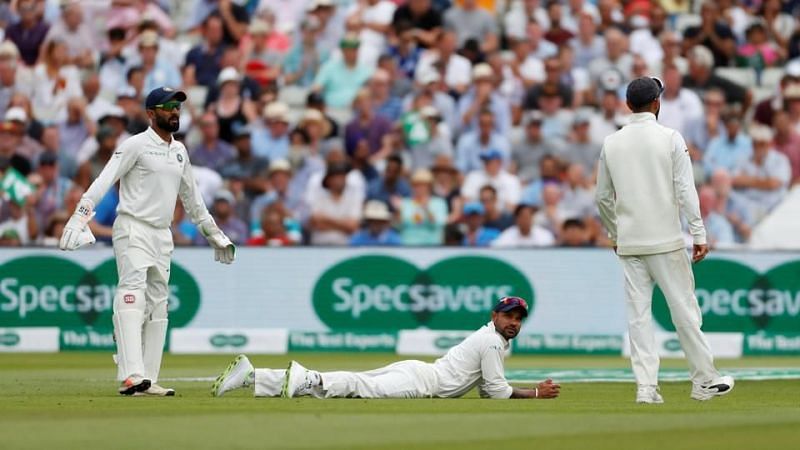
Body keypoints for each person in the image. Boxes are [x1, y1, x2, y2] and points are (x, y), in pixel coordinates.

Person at [58, 87, 236, 397]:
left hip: (162, 234)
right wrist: (79, 217)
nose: (175, 111)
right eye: (168, 107)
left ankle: (147, 380)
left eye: (178, 106)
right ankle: (131, 374)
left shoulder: (179, 151)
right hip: (132, 227)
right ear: (151, 114)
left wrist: (215, 235)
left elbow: (193, 201)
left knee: (158, 305)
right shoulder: (135, 145)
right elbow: (104, 180)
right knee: (132, 292)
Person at [595, 77, 734, 404]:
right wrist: (699, 233)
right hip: (666, 241)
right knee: (684, 311)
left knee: (638, 318)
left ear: (629, 106)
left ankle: (646, 388)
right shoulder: (670, 138)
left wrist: (615, 233)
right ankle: (704, 381)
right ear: (656, 103)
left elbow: (602, 198)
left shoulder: (611, 143)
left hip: (630, 244)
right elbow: (686, 190)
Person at [212, 296, 561, 400]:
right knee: (361, 386)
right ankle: (309, 375)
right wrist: (534, 393)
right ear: (495, 316)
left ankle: (252, 376)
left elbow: (488, 390)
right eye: (509, 316)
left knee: (359, 381)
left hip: (420, 371)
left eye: (519, 318)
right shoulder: (491, 342)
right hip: (424, 383)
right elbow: (497, 392)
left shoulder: (493, 339)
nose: (514, 322)